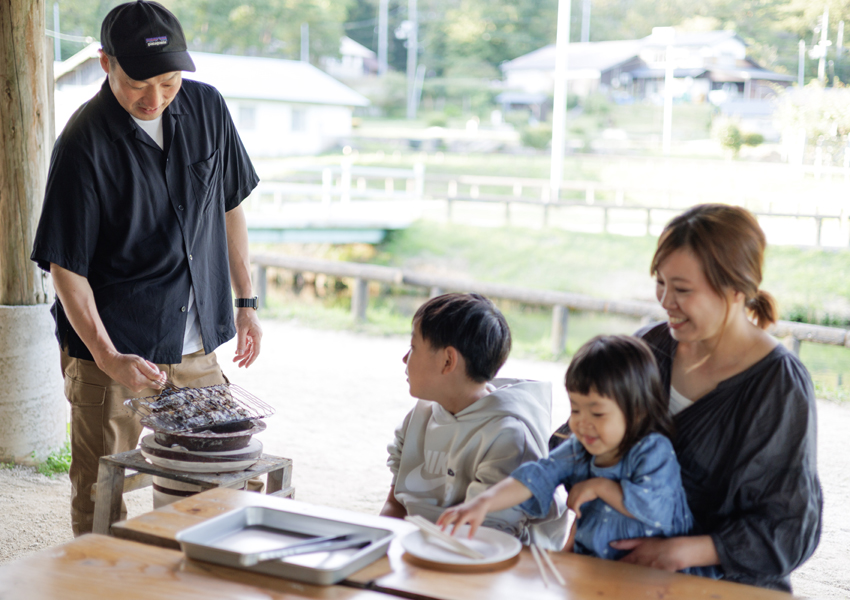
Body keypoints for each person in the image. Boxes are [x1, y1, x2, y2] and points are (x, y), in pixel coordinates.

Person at [30, 0, 262, 536]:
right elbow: (66, 266)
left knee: (211, 482)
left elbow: (230, 207)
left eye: (170, 80)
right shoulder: (83, 142)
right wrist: (108, 358)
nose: (154, 98)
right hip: (116, 351)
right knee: (100, 490)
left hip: (196, 343)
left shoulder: (207, 108)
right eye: (140, 82)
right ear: (106, 62)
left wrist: (246, 302)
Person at [618, 204, 822, 591]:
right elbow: (580, 434)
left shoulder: (778, 384)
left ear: (736, 289)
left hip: (728, 585)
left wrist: (685, 552)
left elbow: (789, 530)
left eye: (682, 290)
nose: (665, 301)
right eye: (660, 283)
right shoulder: (648, 347)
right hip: (627, 573)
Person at [437, 335, 718, 577]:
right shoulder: (578, 449)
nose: (583, 423)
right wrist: (483, 503)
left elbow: (656, 509)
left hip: (657, 576)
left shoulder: (651, 449)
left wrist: (601, 487)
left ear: (637, 411)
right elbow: (536, 476)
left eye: (597, 413)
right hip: (596, 564)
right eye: (575, 409)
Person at [381, 293, 567, 548]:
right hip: (426, 549)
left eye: (413, 347)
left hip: (490, 559)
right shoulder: (419, 415)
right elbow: (396, 504)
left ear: (448, 360)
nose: (405, 358)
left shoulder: (508, 435)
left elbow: (490, 537)